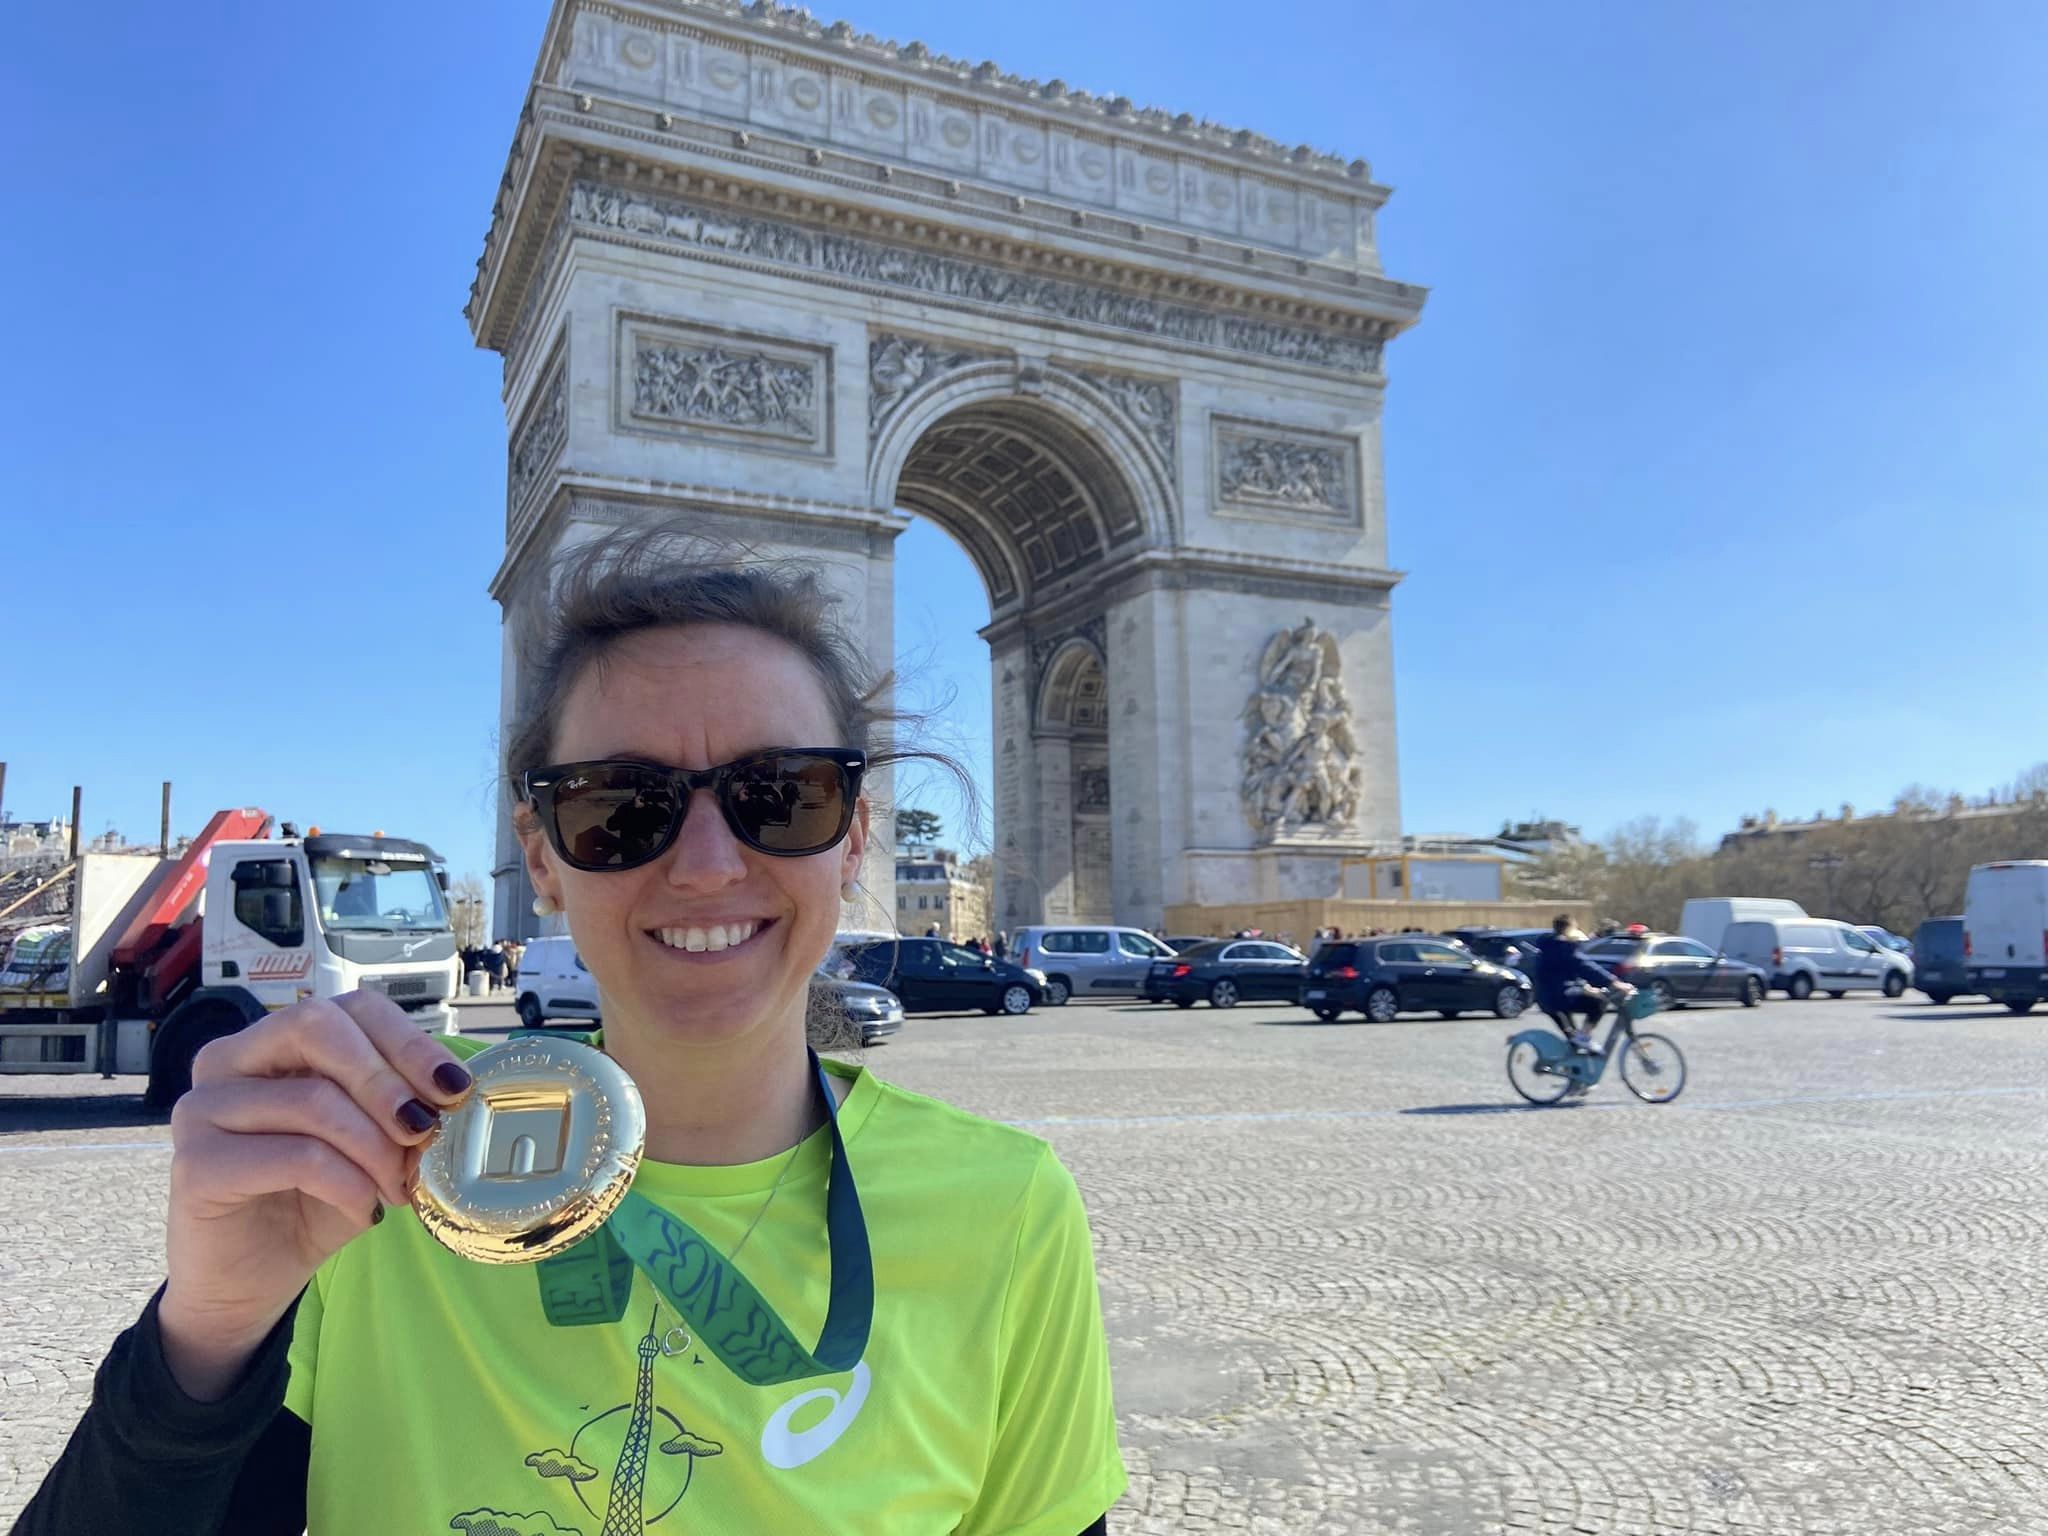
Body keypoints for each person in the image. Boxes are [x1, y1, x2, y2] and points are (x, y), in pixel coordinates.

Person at [20, 534, 1126, 1536]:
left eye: (780, 794)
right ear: (540, 851)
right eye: (618, 805)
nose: (703, 864)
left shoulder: (1009, 1213)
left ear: (852, 838)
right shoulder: (368, 1188)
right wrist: (207, 1335)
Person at [1532, 914, 1632, 1051]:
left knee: (1574, 1041)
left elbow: (1563, 974)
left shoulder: (1549, 946)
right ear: (1569, 928)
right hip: (1556, 999)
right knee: (1599, 1002)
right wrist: (1615, 983)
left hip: (1549, 997)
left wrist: (1584, 987)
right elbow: (1585, 967)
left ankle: (1575, 1056)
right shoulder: (1562, 947)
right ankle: (1584, 1037)